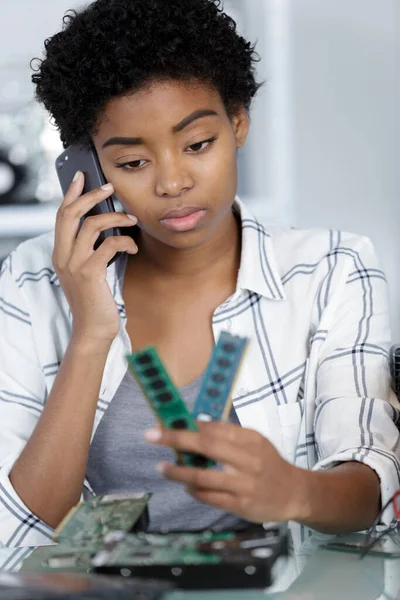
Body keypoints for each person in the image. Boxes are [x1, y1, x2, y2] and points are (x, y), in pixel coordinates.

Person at [0, 0, 399, 551]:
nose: (172, 182)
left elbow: (369, 487)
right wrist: (91, 333)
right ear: (86, 166)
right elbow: (20, 530)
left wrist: (295, 492)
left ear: (238, 122)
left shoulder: (333, 270)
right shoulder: (30, 282)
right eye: (133, 163)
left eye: (197, 145)